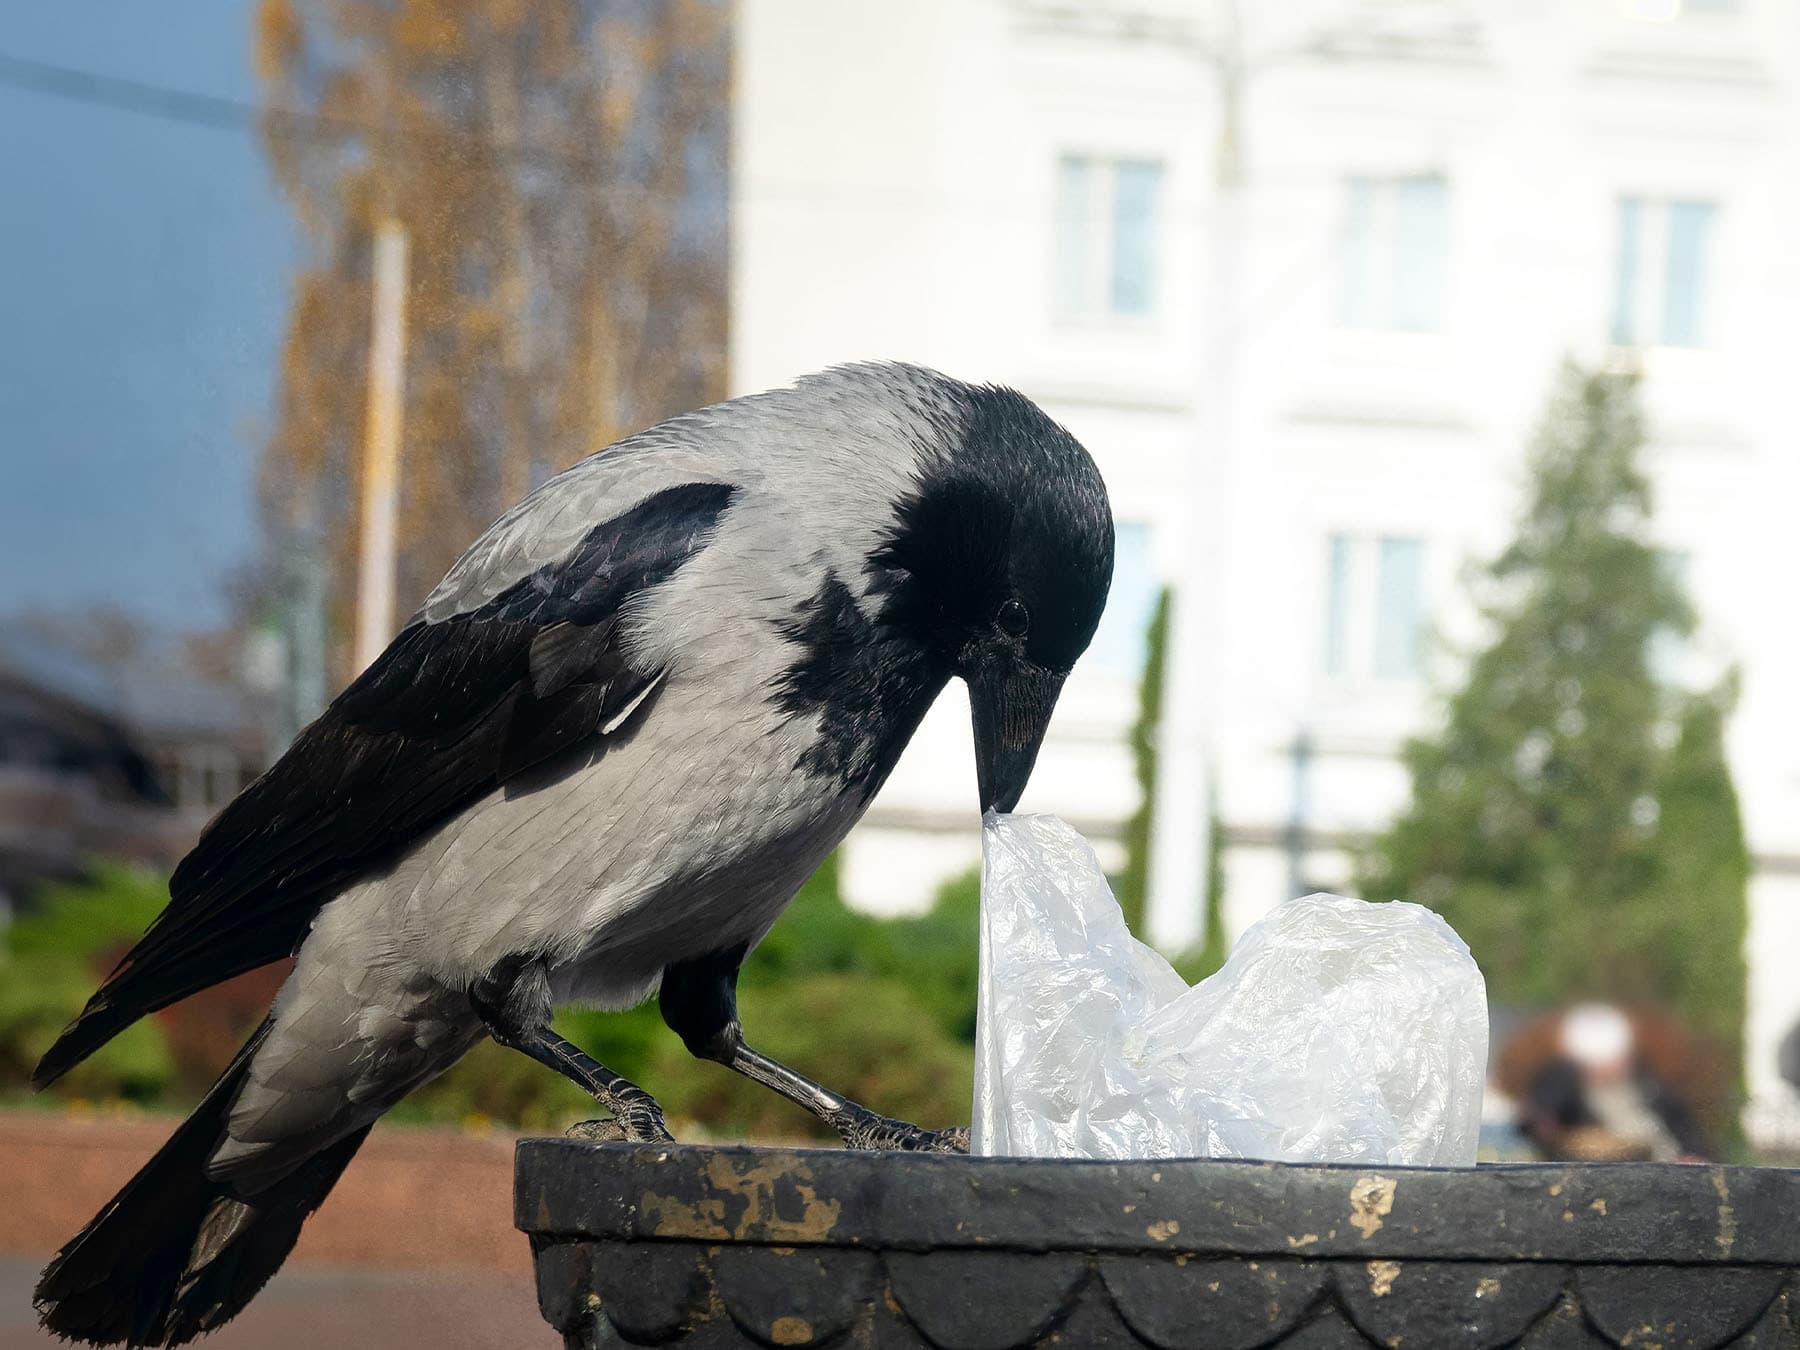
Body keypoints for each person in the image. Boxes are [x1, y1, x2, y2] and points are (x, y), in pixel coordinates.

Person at [1517, 1003, 1710, 1162]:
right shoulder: (1564, 1084)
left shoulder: (1653, 1089)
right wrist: (1544, 1126)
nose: (1605, 1071)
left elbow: (1687, 1133)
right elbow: (1537, 1119)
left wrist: (1692, 1157)